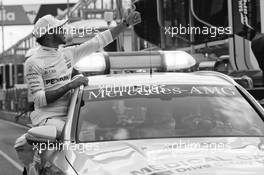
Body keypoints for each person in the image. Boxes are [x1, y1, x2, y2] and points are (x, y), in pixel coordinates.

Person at [14, 9, 141, 174]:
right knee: (78, 135)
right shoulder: (33, 62)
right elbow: (39, 100)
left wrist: (125, 24)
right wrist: (69, 85)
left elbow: (99, 41)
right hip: (49, 121)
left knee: (109, 131)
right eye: (60, 28)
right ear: (50, 34)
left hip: (73, 115)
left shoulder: (67, 53)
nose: (64, 30)